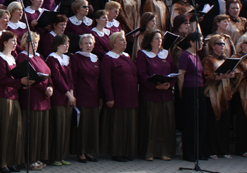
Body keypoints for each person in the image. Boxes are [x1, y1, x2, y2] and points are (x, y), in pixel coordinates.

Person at [0, 31, 27, 173]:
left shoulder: (13, 58)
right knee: (3, 130)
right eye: (13, 41)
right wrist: (19, 82)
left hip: (13, 97)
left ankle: (10, 161)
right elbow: (1, 79)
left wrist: (23, 82)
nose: (15, 43)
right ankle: (1, 162)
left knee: (13, 130)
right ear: (4, 42)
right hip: (2, 98)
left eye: (16, 41)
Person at [136, 30, 177, 161]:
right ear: (150, 40)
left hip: (166, 95)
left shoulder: (166, 53)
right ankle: (149, 152)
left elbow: (174, 71)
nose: (159, 41)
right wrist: (155, 86)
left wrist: (169, 85)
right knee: (150, 123)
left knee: (165, 124)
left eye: (160, 39)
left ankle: (165, 151)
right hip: (150, 94)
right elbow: (142, 74)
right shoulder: (143, 54)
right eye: (156, 39)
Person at [15, 32, 52, 170]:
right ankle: (29, 159)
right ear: (25, 44)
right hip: (33, 98)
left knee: (41, 131)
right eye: (32, 43)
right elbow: (30, 76)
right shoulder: (23, 57)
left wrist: (50, 87)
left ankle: (38, 157)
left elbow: (48, 74)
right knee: (32, 131)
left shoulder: (40, 56)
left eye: (36, 42)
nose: (35, 45)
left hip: (44, 99)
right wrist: (44, 88)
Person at [101, 31, 138, 162]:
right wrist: (109, 97)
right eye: (122, 40)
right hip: (118, 97)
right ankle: (117, 151)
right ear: (114, 43)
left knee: (129, 124)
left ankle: (128, 150)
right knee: (118, 125)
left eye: (125, 41)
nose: (125, 42)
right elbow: (106, 79)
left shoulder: (127, 56)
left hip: (131, 96)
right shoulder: (108, 58)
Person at [201, 34, 236, 159]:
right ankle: (212, 150)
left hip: (225, 93)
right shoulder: (208, 60)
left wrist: (231, 76)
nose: (223, 46)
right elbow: (207, 76)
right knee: (213, 123)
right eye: (220, 44)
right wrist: (220, 77)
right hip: (213, 94)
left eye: (223, 44)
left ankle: (224, 149)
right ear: (213, 46)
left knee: (225, 123)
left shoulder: (226, 59)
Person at [46, 34, 75, 166]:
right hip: (59, 97)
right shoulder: (53, 58)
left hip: (67, 97)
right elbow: (57, 78)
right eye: (64, 43)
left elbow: (71, 78)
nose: (67, 45)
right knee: (57, 126)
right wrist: (68, 94)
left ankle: (62, 155)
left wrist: (71, 93)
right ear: (58, 45)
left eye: (68, 43)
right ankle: (54, 156)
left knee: (65, 126)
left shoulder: (67, 59)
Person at [71, 34, 101, 163]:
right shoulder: (76, 58)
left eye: (90, 43)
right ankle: (81, 152)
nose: (89, 46)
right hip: (82, 95)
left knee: (92, 125)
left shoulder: (96, 58)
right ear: (81, 45)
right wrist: (73, 95)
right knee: (82, 125)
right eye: (86, 43)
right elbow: (73, 77)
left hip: (93, 95)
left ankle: (89, 151)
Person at [177, 32, 206, 162]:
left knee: (200, 120)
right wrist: (181, 93)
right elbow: (181, 75)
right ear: (192, 42)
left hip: (199, 89)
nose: (202, 44)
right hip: (189, 90)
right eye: (200, 41)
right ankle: (189, 153)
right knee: (190, 121)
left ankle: (198, 151)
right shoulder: (185, 55)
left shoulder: (197, 56)